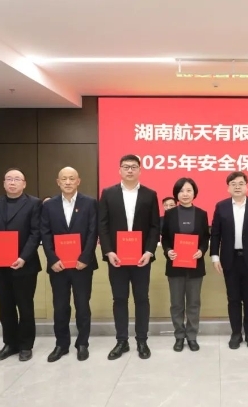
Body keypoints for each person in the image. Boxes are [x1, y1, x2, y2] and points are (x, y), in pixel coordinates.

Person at [98, 154, 160, 360]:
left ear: (140, 170)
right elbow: (102, 225)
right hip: (117, 258)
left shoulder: (150, 195)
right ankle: (121, 341)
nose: (130, 170)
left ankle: (142, 340)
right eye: (126, 167)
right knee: (119, 299)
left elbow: (154, 226)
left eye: (134, 167)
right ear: (120, 170)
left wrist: (149, 252)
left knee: (142, 298)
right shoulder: (108, 194)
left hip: (142, 258)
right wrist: (109, 251)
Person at [0, 168, 42, 362]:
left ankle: (25, 345)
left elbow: (35, 233)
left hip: (25, 265)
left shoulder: (34, 203)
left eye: (17, 179)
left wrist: (23, 257)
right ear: (4, 183)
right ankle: (10, 344)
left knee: (25, 306)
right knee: (5, 306)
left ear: (24, 184)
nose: (12, 182)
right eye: (9, 179)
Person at [40, 167, 98, 362]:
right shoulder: (49, 205)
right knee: (60, 306)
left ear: (78, 181)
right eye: (64, 179)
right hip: (58, 266)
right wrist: (52, 259)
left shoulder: (89, 203)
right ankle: (61, 345)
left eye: (71, 178)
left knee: (82, 306)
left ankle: (82, 344)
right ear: (58, 182)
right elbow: (45, 233)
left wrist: (85, 257)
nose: (68, 182)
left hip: (82, 265)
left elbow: (93, 232)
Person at [210, 171, 248, 349]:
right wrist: (215, 256)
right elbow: (215, 233)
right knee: (233, 298)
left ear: (246, 186)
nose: (237, 187)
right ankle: (236, 333)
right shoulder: (221, 207)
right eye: (233, 184)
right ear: (228, 188)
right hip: (230, 259)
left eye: (241, 183)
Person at [161, 178, 210, 352]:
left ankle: (192, 336)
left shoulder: (202, 214)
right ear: (176, 194)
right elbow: (165, 238)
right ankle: (179, 336)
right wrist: (168, 251)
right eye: (181, 191)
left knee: (194, 303)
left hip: (195, 266)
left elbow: (205, 238)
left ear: (194, 193)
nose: (185, 194)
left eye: (189, 190)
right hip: (175, 266)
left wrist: (201, 251)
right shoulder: (170, 214)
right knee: (176, 304)